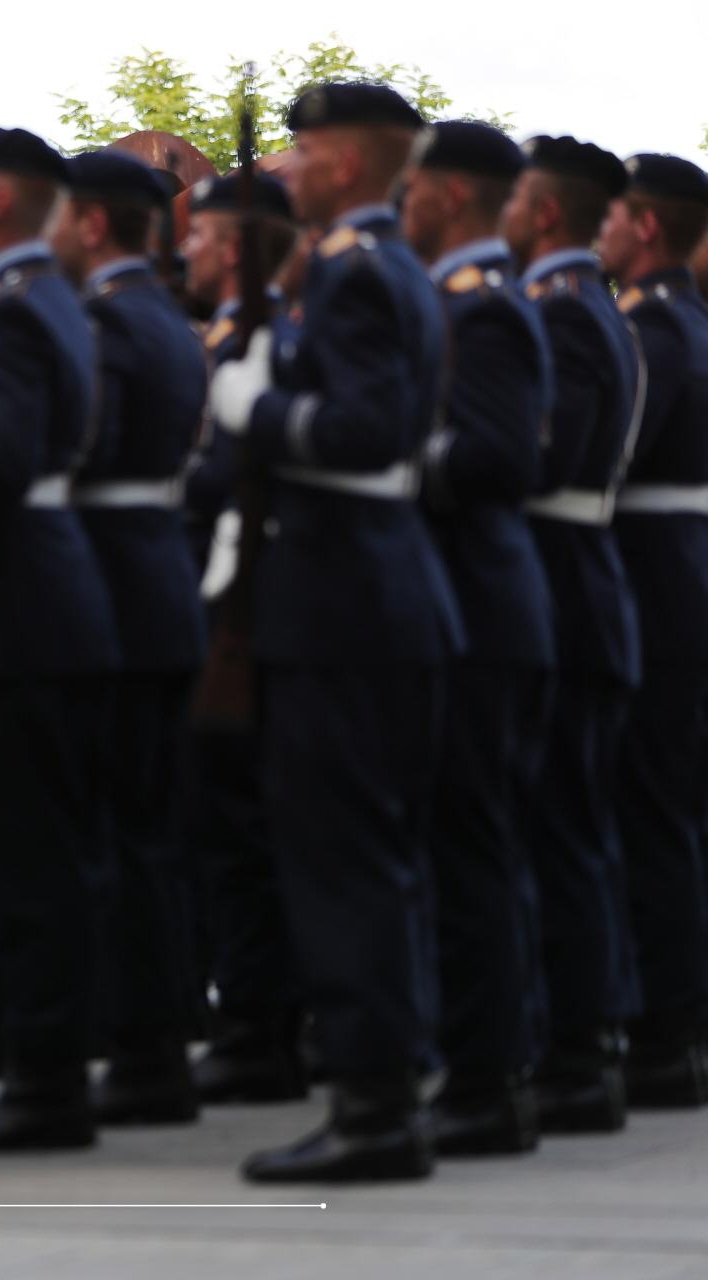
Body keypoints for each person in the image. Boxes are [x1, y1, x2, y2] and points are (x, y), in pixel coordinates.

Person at [209, 81, 462, 1182]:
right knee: (365, 858)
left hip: (347, 601)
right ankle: (379, 1091)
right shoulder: (368, 269)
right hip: (360, 597)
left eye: (306, 153)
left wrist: (251, 409)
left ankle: (372, 1106)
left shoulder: (360, 275)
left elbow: (361, 432)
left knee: (346, 860)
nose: (293, 172)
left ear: (349, 165)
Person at [0, 126, 117, 1150]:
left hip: (23, 600)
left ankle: (44, 1077)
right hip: (53, 591)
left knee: (28, 852)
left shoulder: (11, 307)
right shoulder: (47, 294)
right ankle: (41, 1061)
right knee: (42, 846)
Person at [400, 121, 557, 1155]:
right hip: (465, 592)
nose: (399, 201)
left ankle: (486, 1082)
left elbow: (494, 457)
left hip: (482, 597)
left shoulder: (486, 309)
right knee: (461, 843)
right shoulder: (473, 299)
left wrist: (382, 453)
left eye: (412, 186)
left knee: (472, 844)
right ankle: (478, 1068)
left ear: (451, 194)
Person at [50, 147, 209, 1127]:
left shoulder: (106, 321)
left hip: (110, 582)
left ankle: (139, 1040)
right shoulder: (163, 317)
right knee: (150, 830)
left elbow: (76, 448)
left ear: (95, 225)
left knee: (117, 830)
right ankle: (154, 1032)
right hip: (159, 583)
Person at [503, 135, 645, 1132]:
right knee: (568, 829)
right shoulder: (588, 306)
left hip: (563, 581)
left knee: (562, 831)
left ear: (545, 213)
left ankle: (575, 1053)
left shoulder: (565, 315)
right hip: (575, 578)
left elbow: (543, 457)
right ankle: (573, 1043)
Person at [178, 168, 309, 1105]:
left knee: (248, 830)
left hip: (258, 599)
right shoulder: (228, 336)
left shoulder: (269, 340)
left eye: (199, 234)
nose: (184, 247)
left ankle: (266, 1025)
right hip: (226, 594)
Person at [597, 152, 708, 1109]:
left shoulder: (650, 329)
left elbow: (610, 455)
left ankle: (665, 1033)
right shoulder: (690, 319)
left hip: (653, 573)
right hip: (685, 566)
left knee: (650, 807)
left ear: (643, 228)